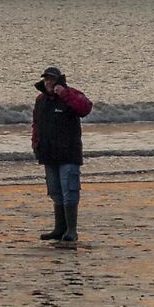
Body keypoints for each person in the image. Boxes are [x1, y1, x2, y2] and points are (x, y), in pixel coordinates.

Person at [31, 66, 92, 243]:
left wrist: (64, 94)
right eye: (46, 79)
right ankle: (59, 228)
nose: (48, 82)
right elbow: (36, 124)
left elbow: (85, 108)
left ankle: (72, 230)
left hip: (68, 153)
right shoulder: (41, 100)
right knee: (55, 192)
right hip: (49, 154)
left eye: (51, 79)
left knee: (69, 190)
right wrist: (35, 143)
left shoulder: (71, 95)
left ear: (59, 80)